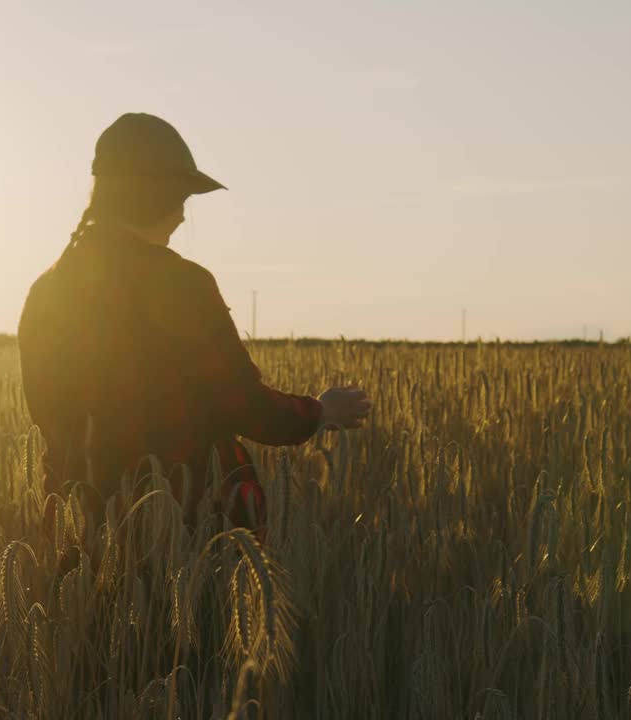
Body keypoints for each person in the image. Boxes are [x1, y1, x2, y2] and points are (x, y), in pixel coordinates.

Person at [18, 112, 371, 538]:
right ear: (156, 198)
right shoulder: (181, 284)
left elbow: (49, 411)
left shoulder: (47, 290)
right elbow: (242, 403)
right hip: (180, 533)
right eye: (181, 199)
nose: (183, 217)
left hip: (79, 532)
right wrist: (320, 412)